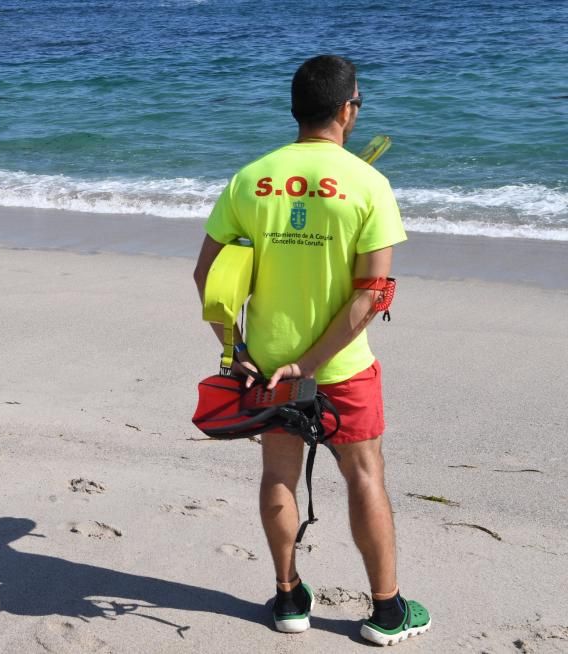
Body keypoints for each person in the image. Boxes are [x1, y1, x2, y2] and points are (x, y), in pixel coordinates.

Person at [193, 55, 430, 646]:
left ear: (296, 109)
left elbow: (207, 276)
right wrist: (319, 360)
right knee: (365, 475)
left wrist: (235, 346)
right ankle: (387, 610)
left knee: (278, 474)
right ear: (348, 109)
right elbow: (373, 294)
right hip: (343, 365)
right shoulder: (368, 183)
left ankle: (289, 597)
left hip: (270, 362)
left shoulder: (251, 178)